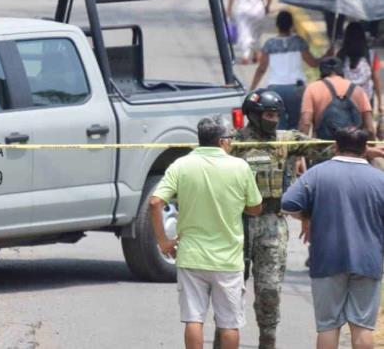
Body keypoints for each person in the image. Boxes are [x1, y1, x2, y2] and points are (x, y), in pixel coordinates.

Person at [217, 90, 334, 349]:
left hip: (272, 224)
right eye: (269, 115)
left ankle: (267, 341)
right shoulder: (232, 143)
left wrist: (364, 150)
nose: (274, 120)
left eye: (277, 115)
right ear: (254, 115)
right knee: (229, 290)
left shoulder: (287, 140)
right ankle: (223, 340)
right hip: (236, 224)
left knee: (269, 289)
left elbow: (325, 148)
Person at [150, 116, 262, 349]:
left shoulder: (181, 165)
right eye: (229, 139)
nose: (231, 143)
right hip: (228, 260)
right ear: (222, 141)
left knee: (193, 318)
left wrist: (163, 242)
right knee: (229, 323)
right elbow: (255, 208)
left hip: (191, 256)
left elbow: (154, 202)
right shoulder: (239, 167)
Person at [282, 127, 384, 349]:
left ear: (335, 147)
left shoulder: (317, 173)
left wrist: (307, 216)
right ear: (366, 149)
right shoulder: (379, 179)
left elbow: (288, 202)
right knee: (363, 326)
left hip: (326, 259)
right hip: (368, 260)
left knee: (328, 325)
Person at [250, 11, 328, 129]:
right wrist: (327, 55)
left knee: (277, 122)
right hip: (296, 88)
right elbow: (313, 63)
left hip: (275, 88)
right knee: (296, 123)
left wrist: (252, 88)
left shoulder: (269, 44)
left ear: (277, 25)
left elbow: (261, 69)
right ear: (292, 25)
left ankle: (281, 146)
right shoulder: (299, 42)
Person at [299, 56, 374, 138]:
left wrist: (304, 146)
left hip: (324, 146)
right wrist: (371, 147)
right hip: (354, 146)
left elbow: (305, 123)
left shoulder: (312, 88)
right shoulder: (358, 90)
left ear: (321, 71)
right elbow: (370, 129)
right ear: (342, 71)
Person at [227, 0, 273, 64]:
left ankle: (245, 55)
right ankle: (257, 54)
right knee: (256, 33)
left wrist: (229, 9)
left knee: (244, 32)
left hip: (242, 10)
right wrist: (267, 5)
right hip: (258, 11)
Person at [337, 21, 382, 114]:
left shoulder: (341, 55)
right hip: (366, 98)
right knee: (366, 126)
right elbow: (376, 79)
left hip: (345, 98)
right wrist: (380, 102)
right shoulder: (371, 55)